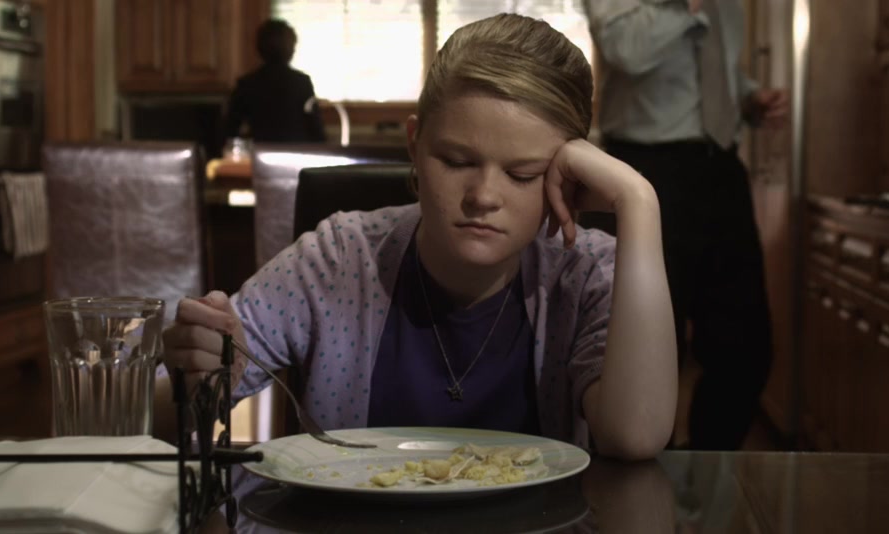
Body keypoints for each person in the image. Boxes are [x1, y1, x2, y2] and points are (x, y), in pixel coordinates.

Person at [162, 14, 678, 460]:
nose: (483, 196)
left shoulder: (586, 273)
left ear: (569, 174)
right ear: (414, 145)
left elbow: (634, 437)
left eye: (522, 174)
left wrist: (638, 201)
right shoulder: (339, 258)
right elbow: (168, 410)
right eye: (455, 161)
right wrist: (197, 375)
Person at [584, 0, 787, 450]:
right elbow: (625, 49)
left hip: (722, 169)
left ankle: (706, 473)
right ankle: (644, 473)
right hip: (647, 171)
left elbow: (714, 69)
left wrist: (747, 97)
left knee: (745, 350)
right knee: (649, 346)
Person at [223, 19, 327, 146]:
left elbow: (229, 130)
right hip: (295, 152)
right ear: (290, 48)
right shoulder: (302, 82)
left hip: (260, 152)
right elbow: (316, 130)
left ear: (259, 48)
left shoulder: (247, 84)